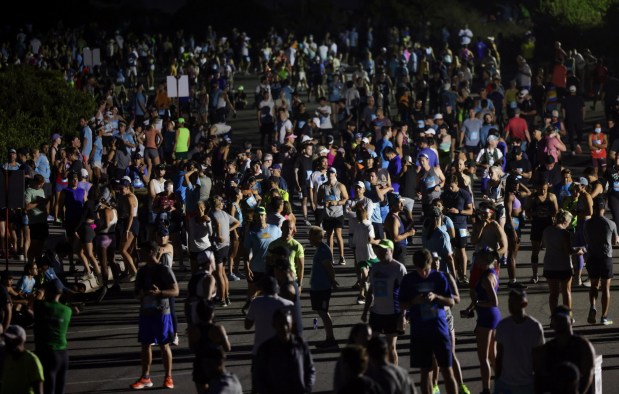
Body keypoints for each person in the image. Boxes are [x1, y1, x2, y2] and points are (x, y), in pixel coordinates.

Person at [399, 249, 457, 394]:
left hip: (440, 330)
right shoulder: (408, 279)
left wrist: (436, 297)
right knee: (425, 372)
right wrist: (414, 301)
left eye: (426, 270)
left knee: (447, 371)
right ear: (415, 266)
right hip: (420, 332)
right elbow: (401, 304)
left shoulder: (439, 277)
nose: (424, 273)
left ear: (431, 264)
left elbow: (451, 301)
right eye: (420, 270)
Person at [131, 244, 180, 390]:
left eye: (145, 251)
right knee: (145, 345)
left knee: (164, 344)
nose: (143, 254)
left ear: (152, 252)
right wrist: (139, 295)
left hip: (162, 312)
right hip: (146, 311)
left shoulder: (164, 270)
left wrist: (160, 293)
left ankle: (168, 377)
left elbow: (176, 291)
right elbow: (136, 292)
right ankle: (145, 377)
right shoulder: (142, 271)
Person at [360, 239, 407, 365]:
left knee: (391, 347)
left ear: (391, 251)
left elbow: (405, 293)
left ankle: (393, 376)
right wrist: (365, 312)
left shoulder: (398, 268)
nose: (380, 252)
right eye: (379, 250)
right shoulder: (375, 267)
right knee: (372, 346)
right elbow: (370, 291)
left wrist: (403, 316)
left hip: (393, 313)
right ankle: (376, 372)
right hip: (376, 313)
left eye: (384, 250)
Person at [461, 247, 500, 394]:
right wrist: (472, 307)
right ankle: (504, 383)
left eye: (477, 258)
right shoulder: (492, 272)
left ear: (484, 260)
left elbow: (493, 301)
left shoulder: (486, 278)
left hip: (487, 317)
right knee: (492, 355)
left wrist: (476, 305)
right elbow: (482, 298)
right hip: (492, 316)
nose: (475, 260)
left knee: (483, 357)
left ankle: (486, 389)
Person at [533, 306, 596, 394]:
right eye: (556, 319)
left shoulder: (583, 345)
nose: (559, 322)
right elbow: (539, 377)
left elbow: (589, 374)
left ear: (570, 321)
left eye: (562, 319)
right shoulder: (547, 348)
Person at [254, 308, 316, 394]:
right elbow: (259, 376)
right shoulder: (266, 348)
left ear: (291, 324)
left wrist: (307, 389)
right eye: (280, 324)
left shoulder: (300, 344)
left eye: (287, 323)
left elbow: (310, 369)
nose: (284, 328)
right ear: (274, 325)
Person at [494, 289, 545, 394]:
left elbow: (538, 359)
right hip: (504, 383)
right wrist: (497, 379)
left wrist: (538, 384)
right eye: (510, 302)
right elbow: (499, 355)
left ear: (524, 304)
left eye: (514, 302)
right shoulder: (502, 326)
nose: (511, 305)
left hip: (526, 384)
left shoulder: (534, 327)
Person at [33, 278, 72, 394]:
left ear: (48, 292)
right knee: (59, 389)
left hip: (46, 352)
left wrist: (40, 293)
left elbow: (35, 301)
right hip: (63, 353)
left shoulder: (42, 307)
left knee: (48, 389)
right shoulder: (67, 310)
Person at [584, 197, 618, 325]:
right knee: (605, 288)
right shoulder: (611, 224)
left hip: (592, 257)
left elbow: (586, 240)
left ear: (594, 208)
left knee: (594, 285)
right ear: (604, 208)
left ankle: (593, 306)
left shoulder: (587, 223)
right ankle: (604, 316)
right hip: (606, 258)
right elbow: (614, 242)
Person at [187, 300, 232, 394]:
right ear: (212, 313)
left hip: (200, 364)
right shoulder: (218, 329)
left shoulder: (192, 330)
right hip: (215, 365)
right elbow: (228, 348)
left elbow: (192, 349)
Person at [543, 210, 580, 315]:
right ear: (564, 221)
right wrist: (577, 250)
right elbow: (568, 250)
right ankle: (568, 316)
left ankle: (554, 317)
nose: (569, 224)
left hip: (549, 265)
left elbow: (544, 245)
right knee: (566, 292)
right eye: (569, 221)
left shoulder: (547, 230)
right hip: (563, 266)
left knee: (553, 294)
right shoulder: (565, 233)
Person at [308, 225, 339, 349]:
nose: (309, 239)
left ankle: (330, 339)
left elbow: (329, 268)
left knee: (324, 312)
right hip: (317, 286)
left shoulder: (323, 250)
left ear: (317, 237)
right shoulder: (320, 248)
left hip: (322, 287)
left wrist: (332, 281)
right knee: (321, 311)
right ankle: (329, 338)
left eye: (310, 236)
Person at [441, 175, 473, 283]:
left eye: (452, 186)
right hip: (448, 226)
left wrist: (458, 211)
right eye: (448, 186)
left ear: (457, 184)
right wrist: (444, 210)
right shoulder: (445, 194)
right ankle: (455, 273)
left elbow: (470, 211)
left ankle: (463, 274)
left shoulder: (464, 194)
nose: (450, 189)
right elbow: (440, 207)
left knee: (461, 250)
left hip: (461, 226)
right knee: (450, 251)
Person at [526, 181, 558, 284]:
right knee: (535, 250)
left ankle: (551, 272)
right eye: (540, 189)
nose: (543, 191)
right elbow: (526, 212)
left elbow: (556, 211)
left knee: (551, 250)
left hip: (548, 225)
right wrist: (534, 213)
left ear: (547, 187)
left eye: (545, 189)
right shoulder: (532, 198)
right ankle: (535, 275)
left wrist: (550, 213)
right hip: (537, 225)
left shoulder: (552, 196)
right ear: (537, 188)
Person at [317, 167, 349, 265]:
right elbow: (318, 200)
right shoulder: (323, 187)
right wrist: (324, 203)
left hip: (338, 213)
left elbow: (346, 198)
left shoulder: (340, 186)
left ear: (335, 174)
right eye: (329, 172)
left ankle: (342, 256)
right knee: (329, 235)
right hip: (327, 214)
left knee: (338, 234)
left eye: (332, 173)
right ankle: (330, 257)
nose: (330, 174)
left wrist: (337, 202)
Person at [0, 324, 44, 394]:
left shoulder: (31, 360)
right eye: (6, 340)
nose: (7, 343)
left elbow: (38, 391)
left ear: (20, 340)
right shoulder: (8, 358)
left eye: (10, 340)